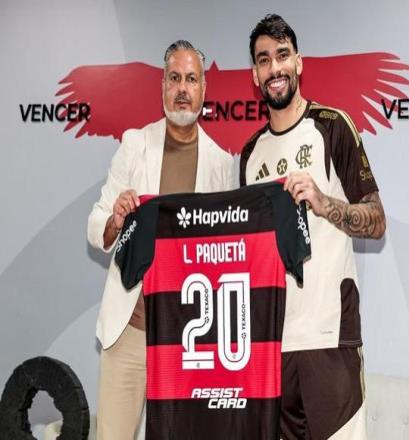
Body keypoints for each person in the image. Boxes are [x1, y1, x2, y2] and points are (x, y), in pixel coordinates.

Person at [240, 15, 386, 440]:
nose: (274, 68)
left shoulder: (332, 126)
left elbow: (376, 221)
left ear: (299, 62)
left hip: (329, 335)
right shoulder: (250, 153)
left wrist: (323, 204)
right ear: (254, 75)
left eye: (282, 55)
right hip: (275, 344)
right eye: (264, 60)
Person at [87, 40, 234, 440]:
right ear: (163, 86)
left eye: (191, 79)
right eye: (174, 78)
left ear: (203, 89)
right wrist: (115, 220)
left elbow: (225, 256)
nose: (182, 88)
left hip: (188, 341)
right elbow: (96, 224)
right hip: (129, 335)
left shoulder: (222, 164)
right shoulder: (134, 144)